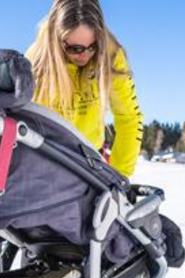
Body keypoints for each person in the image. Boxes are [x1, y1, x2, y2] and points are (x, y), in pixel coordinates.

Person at [26, 0, 143, 178]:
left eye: (92, 47)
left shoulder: (111, 57)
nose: (85, 55)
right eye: (75, 48)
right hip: (45, 162)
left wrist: (120, 177)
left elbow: (129, 118)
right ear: (57, 40)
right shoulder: (37, 63)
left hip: (90, 161)